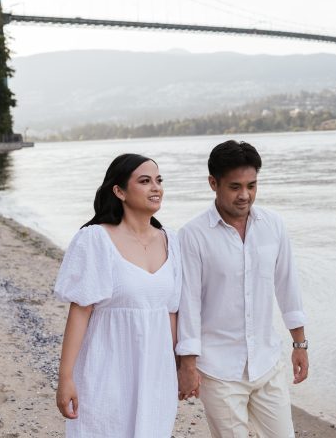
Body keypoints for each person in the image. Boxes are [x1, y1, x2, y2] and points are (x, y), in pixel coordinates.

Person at [176, 140, 309, 438]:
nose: (245, 195)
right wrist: (187, 363)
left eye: (252, 185)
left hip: (266, 362)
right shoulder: (192, 236)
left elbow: (288, 286)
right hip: (218, 369)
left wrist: (299, 344)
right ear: (213, 183)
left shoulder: (273, 225)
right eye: (235, 186)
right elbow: (188, 304)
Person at [54, 153, 181, 437]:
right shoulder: (95, 240)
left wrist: (178, 367)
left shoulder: (172, 240)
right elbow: (81, 310)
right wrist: (66, 377)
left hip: (155, 373)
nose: (156, 188)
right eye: (145, 181)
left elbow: (171, 311)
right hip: (106, 369)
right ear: (119, 191)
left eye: (159, 181)